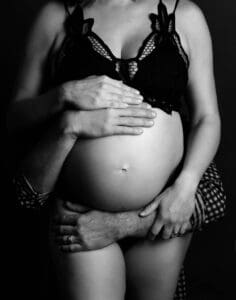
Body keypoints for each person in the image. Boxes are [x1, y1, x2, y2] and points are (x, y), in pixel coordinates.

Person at [7, 0, 226, 299]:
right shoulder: (56, 16)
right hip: (80, 213)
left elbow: (207, 117)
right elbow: (15, 118)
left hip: (156, 212)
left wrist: (185, 187)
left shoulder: (184, 15)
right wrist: (64, 94)